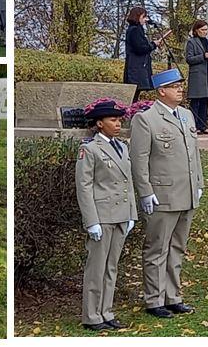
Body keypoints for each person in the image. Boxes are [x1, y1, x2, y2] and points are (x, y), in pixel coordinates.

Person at [129, 68, 204, 319]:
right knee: (157, 249)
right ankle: (154, 298)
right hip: (162, 195)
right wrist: (145, 192)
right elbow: (139, 160)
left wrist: (199, 182)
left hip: (187, 192)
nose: (180, 90)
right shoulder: (146, 119)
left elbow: (194, 153)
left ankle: (173, 296)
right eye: (174, 86)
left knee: (178, 248)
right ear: (161, 91)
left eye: (180, 86)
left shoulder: (186, 115)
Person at [76, 99, 137, 331]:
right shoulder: (90, 149)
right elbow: (84, 186)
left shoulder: (121, 147)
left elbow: (128, 182)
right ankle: (92, 315)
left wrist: (131, 213)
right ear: (99, 123)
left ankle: (106, 311)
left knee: (111, 267)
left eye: (119, 119)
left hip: (121, 214)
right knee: (96, 269)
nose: (118, 123)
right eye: (113, 120)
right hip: (102, 216)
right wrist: (91, 221)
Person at [123, 7, 165, 102]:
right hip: (135, 67)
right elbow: (140, 48)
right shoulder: (134, 30)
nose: (146, 19)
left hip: (137, 67)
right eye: (144, 17)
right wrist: (153, 45)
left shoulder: (136, 29)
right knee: (133, 95)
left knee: (135, 94)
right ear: (138, 17)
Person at [184, 20, 208, 134]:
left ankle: (203, 126)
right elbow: (189, 59)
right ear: (196, 30)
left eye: (206, 30)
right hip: (198, 76)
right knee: (196, 102)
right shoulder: (191, 42)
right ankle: (193, 126)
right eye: (202, 30)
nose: (205, 32)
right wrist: (204, 56)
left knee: (205, 101)